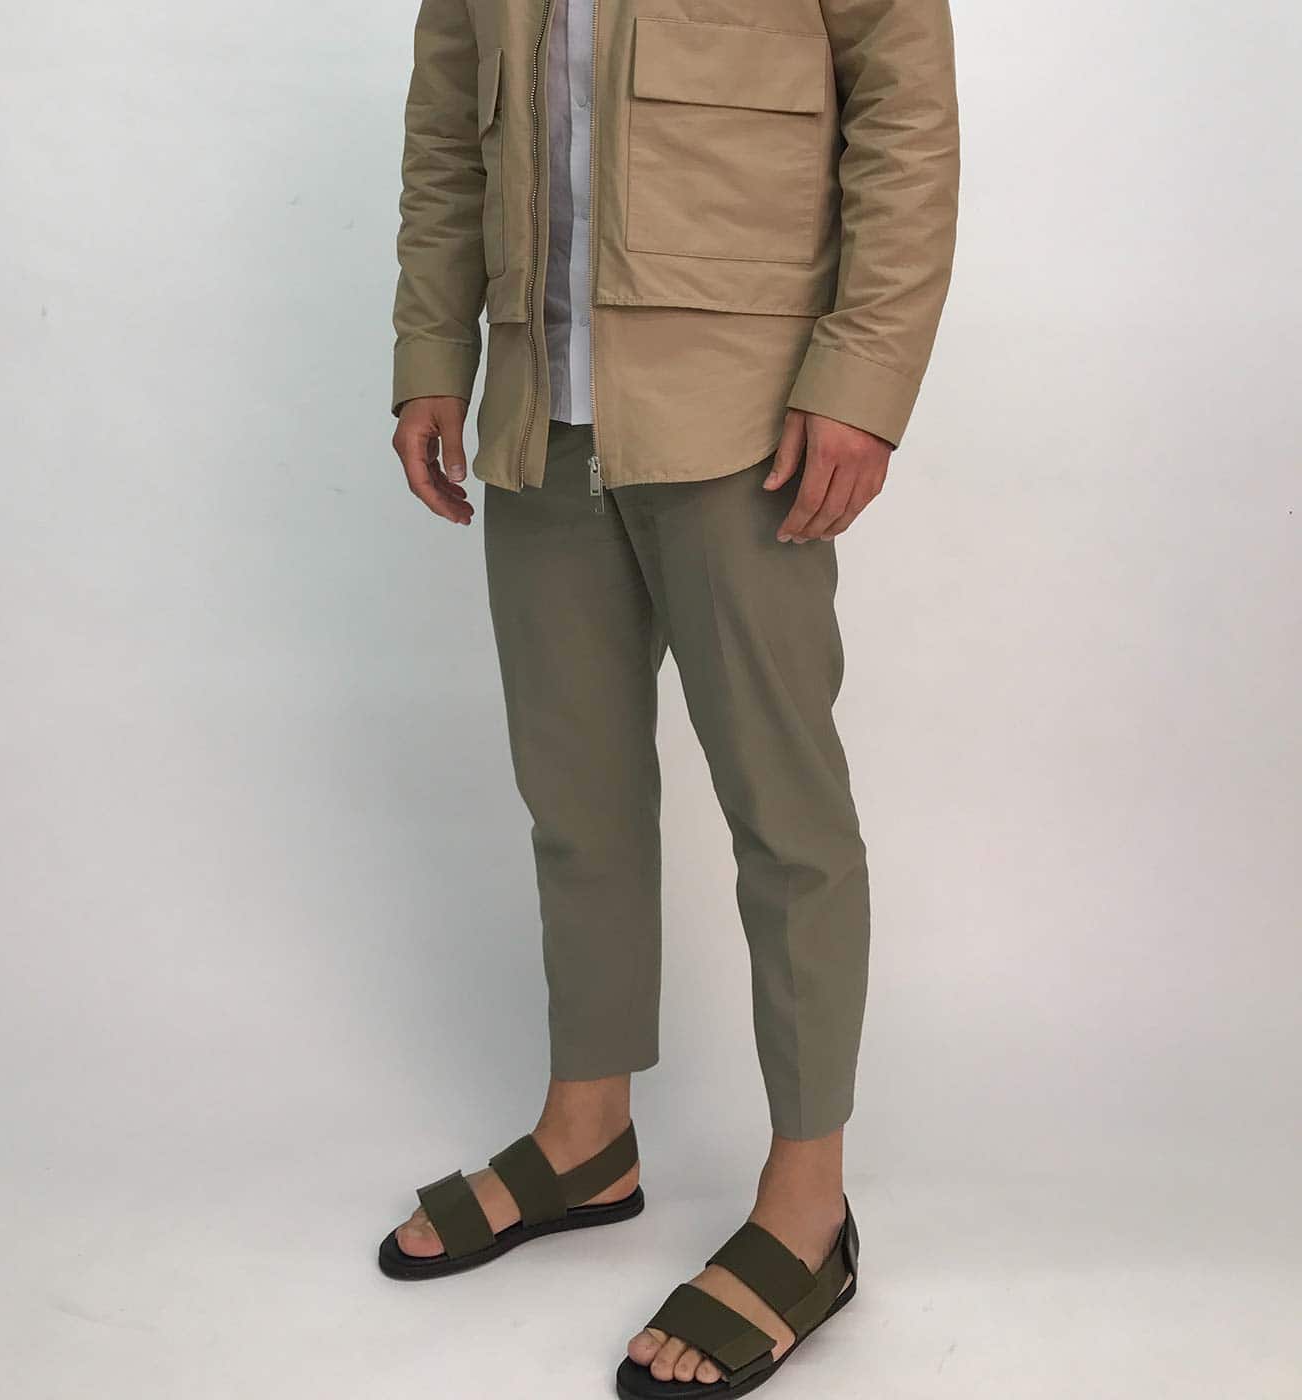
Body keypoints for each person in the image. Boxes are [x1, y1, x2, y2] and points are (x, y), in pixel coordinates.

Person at [379, 1, 958, 1394]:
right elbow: (447, 127)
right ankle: (586, 1137)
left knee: (786, 813)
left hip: (747, 410)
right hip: (539, 401)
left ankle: (808, 1204)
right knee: (573, 800)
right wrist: (431, 353)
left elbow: (905, 112)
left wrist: (865, 377)